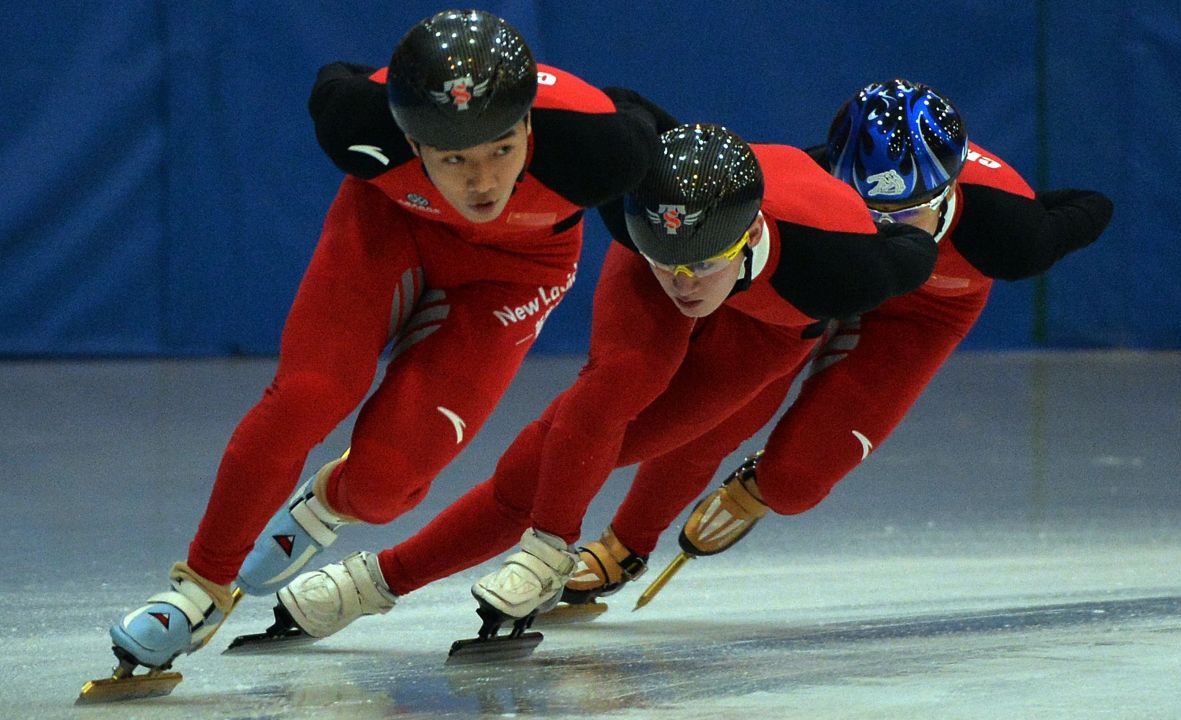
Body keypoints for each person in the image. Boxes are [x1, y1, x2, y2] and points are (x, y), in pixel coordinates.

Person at [104, 9, 662, 675]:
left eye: (501, 151)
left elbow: (674, 156)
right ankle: (197, 591)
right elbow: (334, 80)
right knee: (309, 396)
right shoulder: (356, 121)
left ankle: (325, 506)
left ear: (530, 126)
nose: (482, 182)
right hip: (389, 227)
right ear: (411, 140)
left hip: (514, 274)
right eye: (454, 158)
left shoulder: (602, 146)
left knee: (381, 488)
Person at [256, 121, 938, 645]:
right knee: (587, 416)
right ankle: (482, 564)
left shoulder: (846, 267)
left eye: (702, 264)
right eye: (669, 257)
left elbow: (921, 245)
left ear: (746, 239)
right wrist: (552, 542)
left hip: (772, 327)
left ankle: (381, 579)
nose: (683, 282)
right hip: (669, 252)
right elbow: (625, 115)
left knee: (595, 453)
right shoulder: (640, 223)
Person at [559, 78, 1116, 606]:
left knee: (795, 482)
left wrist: (1029, 206)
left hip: (923, 313)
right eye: (868, 210)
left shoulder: (1011, 235)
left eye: (907, 213)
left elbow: (1094, 205)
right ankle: (626, 543)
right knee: (720, 415)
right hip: (833, 283)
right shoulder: (811, 175)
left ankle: (760, 486)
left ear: (948, 191)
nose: (887, 227)